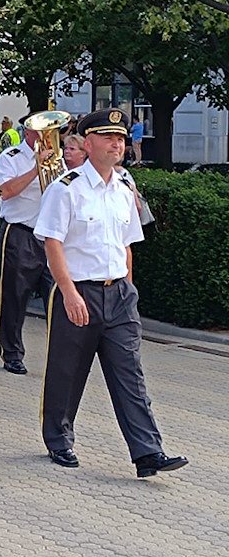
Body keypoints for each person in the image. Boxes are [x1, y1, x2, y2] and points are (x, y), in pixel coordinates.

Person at [35, 108, 187, 478]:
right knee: (67, 372)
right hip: (79, 291)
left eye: (120, 138)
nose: (117, 144)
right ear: (88, 144)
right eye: (108, 138)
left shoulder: (124, 189)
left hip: (118, 295)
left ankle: (148, 452)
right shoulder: (65, 189)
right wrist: (69, 293)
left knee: (130, 375)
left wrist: (129, 290)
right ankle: (58, 439)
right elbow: (52, 244)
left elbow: (127, 245)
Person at [0, 120, 58, 375]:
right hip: (20, 232)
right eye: (42, 130)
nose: (47, 135)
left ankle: (61, 355)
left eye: (51, 131)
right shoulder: (11, 157)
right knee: (15, 297)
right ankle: (12, 353)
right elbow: (6, 191)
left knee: (57, 298)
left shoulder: (59, 160)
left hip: (50, 236)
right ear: (28, 132)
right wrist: (35, 169)